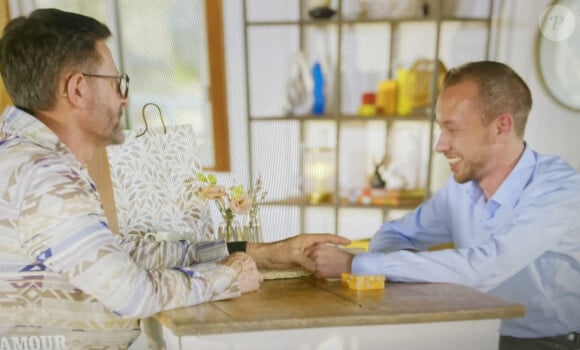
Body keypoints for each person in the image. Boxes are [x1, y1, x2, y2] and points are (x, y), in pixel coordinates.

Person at [0, 8, 349, 349]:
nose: (125, 100)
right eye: (117, 83)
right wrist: (226, 276)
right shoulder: (43, 177)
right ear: (77, 89)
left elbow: (123, 255)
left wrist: (268, 254)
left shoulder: (28, 160)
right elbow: (131, 292)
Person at [308, 61, 580, 349]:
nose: (440, 144)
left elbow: (484, 267)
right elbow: (395, 234)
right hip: (469, 332)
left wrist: (357, 263)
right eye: (441, 129)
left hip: (547, 344)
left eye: (452, 129)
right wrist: (392, 267)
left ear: (501, 127)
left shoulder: (558, 190)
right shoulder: (462, 189)